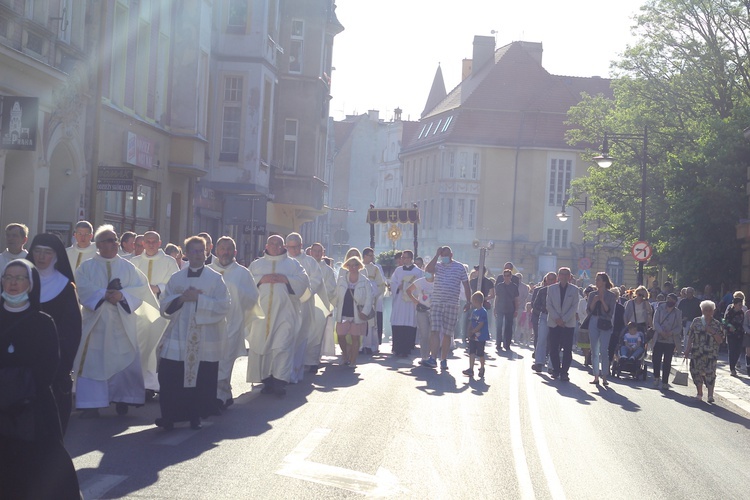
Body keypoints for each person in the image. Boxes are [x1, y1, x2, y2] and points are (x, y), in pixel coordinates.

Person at [0, 260, 81, 499]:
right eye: (8, 277)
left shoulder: (43, 321)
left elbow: (48, 367)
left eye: (20, 278)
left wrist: (17, 392)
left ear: (30, 284)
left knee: (42, 468)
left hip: (33, 407)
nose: (13, 283)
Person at [73, 225, 160, 418]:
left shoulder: (128, 267)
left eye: (115, 240)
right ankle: (92, 402)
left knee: (125, 360)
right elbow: (83, 288)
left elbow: (141, 288)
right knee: (93, 362)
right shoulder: (87, 267)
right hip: (96, 324)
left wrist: (121, 295)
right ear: (99, 244)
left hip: (121, 323)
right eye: (108, 240)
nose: (113, 244)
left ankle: (123, 398)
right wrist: (104, 294)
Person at [156, 236, 231, 430]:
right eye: (194, 251)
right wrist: (181, 299)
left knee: (200, 379)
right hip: (178, 336)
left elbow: (224, 305)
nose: (198, 255)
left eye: (202, 251)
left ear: (206, 253)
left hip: (204, 337)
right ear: (187, 254)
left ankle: (194, 415)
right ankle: (169, 416)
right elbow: (164, 304)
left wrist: (199, 300)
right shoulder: (177, 278)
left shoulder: (215, 278)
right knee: (169, 375)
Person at [26, 233, 82, 435]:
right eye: (37, 251)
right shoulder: (17, 282)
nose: (40, 257)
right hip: (20, 361)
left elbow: (73, 329)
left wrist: (64, 362)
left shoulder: (65, 288)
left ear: (56, 256)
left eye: (46, 253)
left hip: (53, 362)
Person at [247, 235, 310, 396]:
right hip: (261, 315)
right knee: (263, 347)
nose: (275, 246)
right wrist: (261, 279)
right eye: (272, 243)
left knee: (282, 346)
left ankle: (280, 382)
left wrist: (286, 279)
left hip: (285, 314)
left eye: (279, 244)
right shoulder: (257, 264)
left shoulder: (293, 265)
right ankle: (267, 380)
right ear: (267, 245)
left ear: (283, 247)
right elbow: (246, 283)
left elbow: (304, 282)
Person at [208, 236, 259, 409]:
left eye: (229, 249)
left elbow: (252, 298)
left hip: (232, 323)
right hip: (209, 325)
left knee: (225, 360)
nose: (225, 252)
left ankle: (218, 397)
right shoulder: (206, 270)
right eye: (222, 248)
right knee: (211, 360)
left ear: (235, 252)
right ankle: (224, 394)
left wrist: (237, 293)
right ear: (216, 250)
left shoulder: (242, 273)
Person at [131, 231, 180, 395]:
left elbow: (175, 284)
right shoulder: (134, 262)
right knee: (140, 347)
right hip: (138, 312)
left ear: (160, 243)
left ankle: (152, 385)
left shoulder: (169, 262)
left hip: (161, 312)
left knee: (156, 348)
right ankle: (139, 383)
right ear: (142, 244)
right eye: (147, 241)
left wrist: (158, 287)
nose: (151, 244)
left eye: (154, 241)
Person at [285, 233, 325, 381]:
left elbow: (316, 281)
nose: (292, 250)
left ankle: (295, 372)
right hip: (286, 305)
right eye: (289, 247)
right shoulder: (284, 261)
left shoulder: (310, 262)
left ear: (301, 246)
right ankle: (281, 373)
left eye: (295, 247)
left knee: (300, 337)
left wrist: (302, 295)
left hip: (304, 304)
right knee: (285, 338)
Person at [424, 246, 471, 371]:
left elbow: (467, 285)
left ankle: (443, 359)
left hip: (452, 304)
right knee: (434, 330)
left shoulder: (460, 267)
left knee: (447, 333)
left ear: (451, 254)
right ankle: (433, 358)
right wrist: (436, 255)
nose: (443, 257)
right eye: (441, 255)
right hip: (437, 302)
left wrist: (468, 301)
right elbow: (428, 270)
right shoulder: (438, 266)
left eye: (445, 255)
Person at [333, 255, 373, 368]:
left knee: (355, 337)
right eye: (350, 265)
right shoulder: (341, 279)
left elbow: (369, 298)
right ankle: (345, 355)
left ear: (359, 266)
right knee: (341, 335)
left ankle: (353, 360)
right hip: (343, 312)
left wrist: (364, 312)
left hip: (357, 314)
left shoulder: (365, 281)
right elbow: (336, 295)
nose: (353, 267)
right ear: (347, 266)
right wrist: (332, 308)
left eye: (355, 265)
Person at [684, 300, 724, 402]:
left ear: (713, 311)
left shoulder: (717, 324)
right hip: (697, 352)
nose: (707, 312)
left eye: (710, 310)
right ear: (702, 310)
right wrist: (687, 349)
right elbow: (690, 336)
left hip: (711, 353)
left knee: (710, 374)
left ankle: (710, 395)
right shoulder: (696, 321)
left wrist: (712, 331)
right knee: (695, 371)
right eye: (705, 310)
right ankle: (699, 392)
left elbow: (720, 340)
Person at [546, 267, 579, 381]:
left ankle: (564, 372)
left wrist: (564, 319)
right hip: (554, 322)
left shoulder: (574, 290)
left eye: (566, 274)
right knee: (553, 347)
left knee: (567, 349)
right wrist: (557, 318)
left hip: (568, 323)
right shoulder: (551, 289)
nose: (564, 276)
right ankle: (556, 370)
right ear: (558, 276)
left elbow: (574, 306)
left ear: (569, 276)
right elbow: (549, 305)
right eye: (562, 274)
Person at [390, 250, 423, 357]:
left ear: (410, 259)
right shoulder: (398, 270)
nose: (403, 259)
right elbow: (392, 282)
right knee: (398, 322)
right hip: (400, 300)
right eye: (402, 257)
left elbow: (420, 285)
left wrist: (414, 292)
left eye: (405, 258)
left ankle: (407, 348)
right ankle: (397, 348)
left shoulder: (418, 272)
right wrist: (398, 287)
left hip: (410, 301)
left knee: (409, 322)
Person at [587, 272, 616, 386]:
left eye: (598, 279)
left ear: (604, 281)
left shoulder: (611, 296)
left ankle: (604, 376)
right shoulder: (592, 295)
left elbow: (610, 312)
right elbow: (589, 310)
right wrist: (594, 301)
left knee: (604, 350)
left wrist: (602, 300)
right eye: (596, 279)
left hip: (605, 322)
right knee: (594, 350)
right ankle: (595, 376)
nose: (596, 282)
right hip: (594, 321)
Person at [651, 292, 682, 389]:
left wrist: (671, 333)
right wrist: (661, 331)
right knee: (656, 359)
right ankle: (656, 377)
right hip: (659, 338)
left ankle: (665, 381)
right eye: (669, 299)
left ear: (675, 302)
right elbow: (655, 322)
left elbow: (679, 327)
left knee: (667, 361)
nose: (670, 302)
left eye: (672, 300)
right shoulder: (659, 308)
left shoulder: (678, 313)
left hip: (670, 340)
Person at [407, 270, 434, 366]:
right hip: (422, 310)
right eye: (427, 271)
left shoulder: (438, 282)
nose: (428, 273)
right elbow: (408, 290)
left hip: (434, 310)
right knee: (424, 334)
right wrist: (415, 301)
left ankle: (432, 356)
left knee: (433, 334)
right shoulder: (420, 281)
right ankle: (424, 356)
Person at [532, 272, 557, 373]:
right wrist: (543, 310)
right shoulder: (542, 291)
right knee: (541, 339)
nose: (550, 281)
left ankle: (551, 365)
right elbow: (535, 305)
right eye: (549, 279)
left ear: (556, 280)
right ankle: (539, 363)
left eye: (552, 279)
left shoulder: (557, 291)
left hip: (555, 317)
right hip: (543, 316)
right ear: (546, 280)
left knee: (553, 342)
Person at [362, 247, 386, 353]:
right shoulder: (358, 266)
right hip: (360, 300)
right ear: (365, 256)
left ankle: (369, 345)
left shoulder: (375, 269)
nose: (373, 257)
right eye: (371, 255)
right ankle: (360, 345)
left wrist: (373, 293)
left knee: (371, 322)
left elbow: (381, 284)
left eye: (373, 255)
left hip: (371, 299)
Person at [462, 291, 490, 378]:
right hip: (473, 336)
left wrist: (474, 331)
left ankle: (482, 367)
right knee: (472, 351)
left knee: (480, 353)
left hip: (481, 336)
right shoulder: (474, 311)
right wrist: (469, 330)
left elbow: (481, 323)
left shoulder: (483, 312)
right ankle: (471, 369)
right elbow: (471, 321)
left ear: (476, 301)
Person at [494, 268, 520, 352]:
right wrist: (495, 308)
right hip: (500, 308)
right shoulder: (499, 286)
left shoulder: (514, 286)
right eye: (504, 276)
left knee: (508, 328)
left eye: (508, 276)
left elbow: (516, 299)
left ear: (511, 276)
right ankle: (498, 343)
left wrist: (516, 310)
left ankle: (507, 344)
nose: (506, 277)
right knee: (499, 326)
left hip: (510, 308)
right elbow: (496, 297)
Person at [723, 291, 746, 377]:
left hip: (740, 334)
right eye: (739, 305)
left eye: (741, 304)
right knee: (732, 351)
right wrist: (729, 327)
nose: (741, 306)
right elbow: (724, 321)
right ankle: (732, 368)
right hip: (731, 334)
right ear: (735, 304)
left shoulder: (742, 313)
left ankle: (735, 364)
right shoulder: (730, 312)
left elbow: (743, 322)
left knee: (738, 351)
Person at [678, 287, 701, 354]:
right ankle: (686, 350)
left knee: (696, 336)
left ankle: (694, 350)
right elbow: (679, 311)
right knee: (686, 336)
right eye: (687, 292)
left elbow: (700, 312)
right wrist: (682, 318)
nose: (689, 294)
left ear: (693, 293)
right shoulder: (683, 301)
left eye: (690, 292)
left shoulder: (697, 301)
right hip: (686, 322)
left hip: (696, 321)